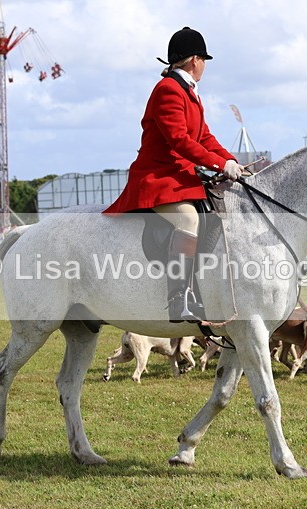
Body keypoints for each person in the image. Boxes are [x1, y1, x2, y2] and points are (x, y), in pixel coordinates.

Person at [104, 27, 242, 322]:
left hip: (179, 176)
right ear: (194, 59)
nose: (205, 65)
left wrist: (230, 160)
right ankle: (178, 299)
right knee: (188, 219)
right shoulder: (168, 90)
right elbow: (179, 140)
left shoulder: (189, 92)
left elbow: (204, 136)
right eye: (204, 59)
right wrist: (219, 166)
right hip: (157, 178)